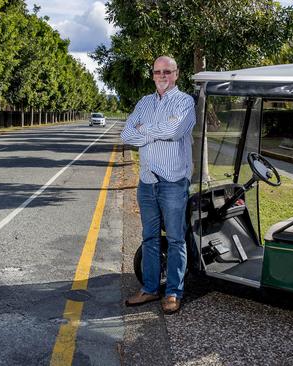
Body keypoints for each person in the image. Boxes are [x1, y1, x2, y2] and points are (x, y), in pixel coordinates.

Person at [121, 56, 195, 314]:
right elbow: (126, 134)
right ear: (152, 75)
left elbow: (174, 132)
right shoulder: (144, 102)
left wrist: (145, 129)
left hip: (173, 182)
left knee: (175, 239)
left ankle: (174, 292)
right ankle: (150, 288)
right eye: (157, 71)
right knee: (150, 237)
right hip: (147, 182)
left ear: (176, 74)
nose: (162, 75)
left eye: (167, 71)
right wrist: (155, 130)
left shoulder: (185, 102)